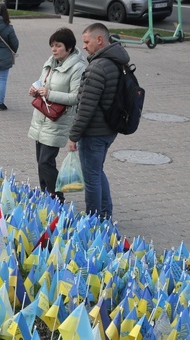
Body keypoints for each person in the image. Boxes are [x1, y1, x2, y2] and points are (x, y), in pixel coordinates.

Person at [67, 23, 130, 219]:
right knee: (97, 171)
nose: (84, 46)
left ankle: (93, 219)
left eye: (87, 42)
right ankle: (105, 213)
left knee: (91, 177)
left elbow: (86, 107)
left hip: (94, 131)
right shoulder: (118, 61)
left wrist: (73, 136)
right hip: (110, 128)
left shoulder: (97, 68)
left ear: (99, 40)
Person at [28, 27, 85, 204]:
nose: (54, 49)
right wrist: (35, 91)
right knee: (41, 161)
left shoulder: (77, 68)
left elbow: (76, 97)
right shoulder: (50, 64)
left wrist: (49, 93)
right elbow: (42, 84)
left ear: (68, 48)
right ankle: (46, 193)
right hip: (42, 116)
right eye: (52, 45)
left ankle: (56, 196)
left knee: (46, 160)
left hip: (58, 120)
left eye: (58, 45)